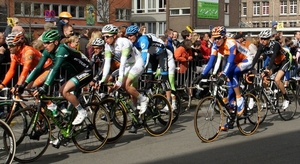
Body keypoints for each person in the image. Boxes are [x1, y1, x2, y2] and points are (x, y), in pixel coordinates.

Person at [20, 30, 93, 126]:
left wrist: (45, 87)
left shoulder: (62, 49)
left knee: (64, 90)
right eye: (44, 43)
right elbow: (37, 68)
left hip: (86, 71)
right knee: (66, 104)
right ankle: (65, 133)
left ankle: (82, 111)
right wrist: (24, 84)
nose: (45, 45)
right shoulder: (47, 51)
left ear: (55, 42)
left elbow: (55, 69)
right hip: (73, 74)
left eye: (47, 43)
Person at [194, 26, 253, 130]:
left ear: (224, 37)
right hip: (235, 63)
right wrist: (202, 76)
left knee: (232, 72)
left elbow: (230, 60)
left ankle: (240, 99)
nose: (216, 40)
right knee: (230, 94)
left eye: (218, 38)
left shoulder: (231, 42)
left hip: (246, 60)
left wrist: (224, 74)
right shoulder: (215, 46)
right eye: (214, 38)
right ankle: (230, 120)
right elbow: (210, 63)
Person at [100, 24, 147, 133]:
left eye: (107, 36)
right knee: (129, 92)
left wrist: (120, 80)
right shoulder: (108, 46)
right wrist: (102, 80)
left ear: (115, 36)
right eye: (104, 37)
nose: (105, 39)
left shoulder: (124, 42)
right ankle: (136, 117)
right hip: (128, 66)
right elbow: (107, 65)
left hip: (137, 63)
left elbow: (123, 63)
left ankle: (144, 99)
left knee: (125, 84)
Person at [125, 25, 173, 113]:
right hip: (152, 55)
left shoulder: (143, 39)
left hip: (161, 53)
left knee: (164, 77)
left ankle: (169, 103)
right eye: (127, 36)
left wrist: (139, 68)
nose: (129, 37)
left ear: (136, 34)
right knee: (149, 77)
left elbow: (143, 57)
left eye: (131, 35)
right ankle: (150, 99)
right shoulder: (132, 41)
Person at [252, 29, 290, 110]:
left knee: (277, 79)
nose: (262, 40)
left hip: (284, 61)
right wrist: (249, 68)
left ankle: (286, 98)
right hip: (275, 64)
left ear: (269, 39)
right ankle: (269, 95)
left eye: (264, 39)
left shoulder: (275, 44)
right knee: (262, 77)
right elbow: (255, 58)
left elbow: (273, 57)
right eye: (261, 38)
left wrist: (268, 69)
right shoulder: (261, 46)